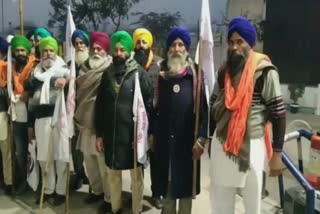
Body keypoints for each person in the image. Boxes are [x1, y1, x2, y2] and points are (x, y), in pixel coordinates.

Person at [209, 16, 286, 214]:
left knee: (252, 205)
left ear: (249, 43)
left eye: (239, 41)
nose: (234, 47)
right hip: (222, 143)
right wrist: (209, 138)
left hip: (251, 146)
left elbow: (278, 114)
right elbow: (212, 103)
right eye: (231, 42)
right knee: (220, 202)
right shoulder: (223, 72)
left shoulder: (265, 71)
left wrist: (276, 155)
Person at [151, 27, 208, 214]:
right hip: (165, 144)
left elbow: (204, 111)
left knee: (185, 195)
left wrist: (201, 139)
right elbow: (154, 107)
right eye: (173, 45)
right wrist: (151, 133)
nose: (176, 49)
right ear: (168, 49)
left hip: (187, 145)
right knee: (167, 193)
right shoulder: (161, 75)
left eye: (180, 44)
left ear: (186, 49)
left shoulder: (196, 75)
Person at [95, 30, 153, 214]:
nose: (119, 53)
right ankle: (116, 208)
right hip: (111, 136)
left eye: (122, 50)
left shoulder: (140, 75)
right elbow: (100, 106)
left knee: (136, 179)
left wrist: (143, 136)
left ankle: (136, 210)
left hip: (132, 138)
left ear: (129, 51)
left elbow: (149, 107)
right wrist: (99, 134)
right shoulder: (107, 75)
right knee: (113, 176)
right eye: (116, 50)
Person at [24, 36, 70, 206]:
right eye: (45, 50)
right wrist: (30, 127)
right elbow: (31, 102)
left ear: (56, 52)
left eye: (51, 50)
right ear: (41, 53)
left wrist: (67, 81)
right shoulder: (35, 74)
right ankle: (48, 190)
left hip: (60, 119)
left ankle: (60, 191)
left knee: (60, 156)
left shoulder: (65, 70)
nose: (48, 53)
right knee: (44, 158)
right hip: (40, 120)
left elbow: (73, 90)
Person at [74, 32, 112, 212]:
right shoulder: (82, 69)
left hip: (101, 123)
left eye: (100, 49)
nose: (96, 51)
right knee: (89, 160)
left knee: (103, 163)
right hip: (84, 121)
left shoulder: (110, 69)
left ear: (106, 51)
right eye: (94, 48)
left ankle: (109, 197)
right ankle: (96, 191)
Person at [132, 27, 163, 209]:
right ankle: (137, 193)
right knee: (137, 160)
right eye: (138, 42)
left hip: (155, 119)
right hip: (135, 119)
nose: (141, 45)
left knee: (156, 160)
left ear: (149, 44)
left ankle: (157, 192)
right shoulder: (130, 64)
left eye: (144, 42)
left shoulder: (159, 65)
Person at [4, 35, 38, 194]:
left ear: (28, 50)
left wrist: (28, 92)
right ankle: (23, 181)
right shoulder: (10, 68)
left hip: (32, 117)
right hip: (17, 116)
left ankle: (38, 183)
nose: (20, 53)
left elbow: (38, 85)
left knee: (35, 152)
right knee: (19, 152)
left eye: (22, 50)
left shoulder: (35, 66)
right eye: (17, 50)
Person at [69, 29, 90, 190]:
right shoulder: (70, 66)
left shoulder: (94, 63)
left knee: (90, 148)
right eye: (76, 44)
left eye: (82, 43)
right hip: (73, 113)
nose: (79, 46)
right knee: (75, 146)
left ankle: (94, 180)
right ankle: (79, 173)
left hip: (89, 113)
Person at [0, 36, 11, 194]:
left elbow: (8, 91)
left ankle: (8, 182)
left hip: (2, 113)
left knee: (6, 150)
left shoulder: (6, 68)